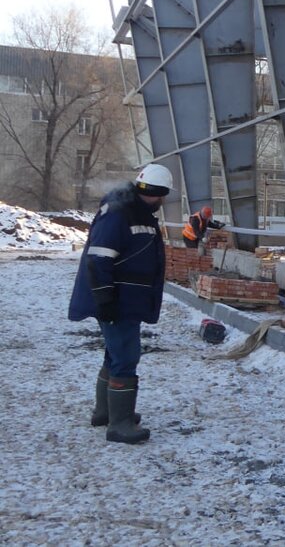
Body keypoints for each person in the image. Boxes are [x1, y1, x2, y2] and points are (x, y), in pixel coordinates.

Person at [68, 163, 172, 444]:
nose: (161, 202)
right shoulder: (119, 214)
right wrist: (105, 300)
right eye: (160, 195)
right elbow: (98, 259)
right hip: (118, 300)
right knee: (126, 356)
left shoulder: (136, 211)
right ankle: (120, 424)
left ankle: (106, 412)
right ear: (154, 192)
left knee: (115, 354)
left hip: (126, 298)